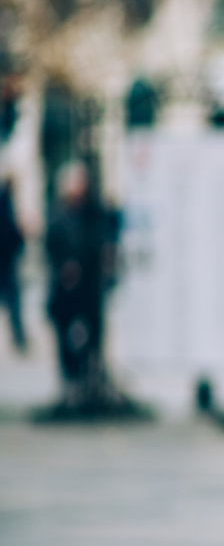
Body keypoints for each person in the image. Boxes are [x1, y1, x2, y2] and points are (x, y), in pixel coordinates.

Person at [44, 162, 106, 399]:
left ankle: (84, 378)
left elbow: (98, 244)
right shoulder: (58, 215)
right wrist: (64, 266)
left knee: (90, 334)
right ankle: (69, 379)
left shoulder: (92, 215)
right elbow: (51, 245)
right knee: (64, 338)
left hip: (87, 290)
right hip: (64, 290)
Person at [0, 176, 26, 353]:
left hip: (7, 260)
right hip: (6, 262)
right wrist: (19, 239)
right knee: (13, 299)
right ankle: (18, 336)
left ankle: (19, 336)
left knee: (13, 300)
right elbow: (9, 232)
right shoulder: (5, 204)